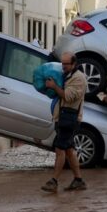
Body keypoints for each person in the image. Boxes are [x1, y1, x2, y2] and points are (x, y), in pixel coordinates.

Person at [41, 52, 88, 192]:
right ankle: (78, 180)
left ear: (74, 64)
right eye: (62, 63)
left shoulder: (79, 79)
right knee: (69, 150)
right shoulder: (67, 75)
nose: (63, 66)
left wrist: (54, 86)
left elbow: (68, 97)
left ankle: (53, 181)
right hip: (62, 117)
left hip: (70, 119)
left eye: (66, 64)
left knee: (60, 149)